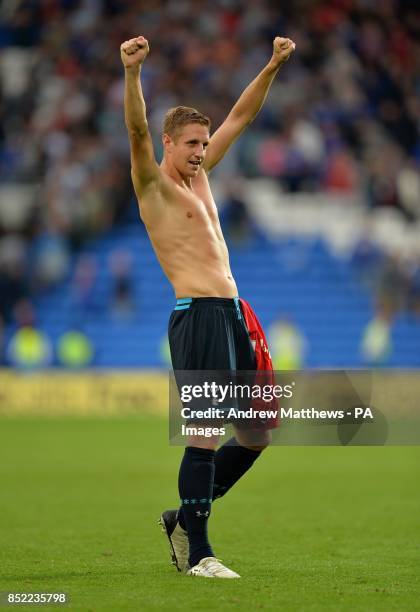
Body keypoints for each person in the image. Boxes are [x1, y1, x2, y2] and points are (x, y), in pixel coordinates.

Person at [121, 33, 295, 579]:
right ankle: (198, 553)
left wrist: (270, 65)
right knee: (204, 432)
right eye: (191, 144)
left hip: (233, 313)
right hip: (197, 313)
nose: (201, 152)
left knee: (256, 435)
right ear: (168, 144)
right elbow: (134, 128)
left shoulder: (201, 178)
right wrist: (132, 74)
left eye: (203, 143)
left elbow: (241, 116)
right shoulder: (152, 183)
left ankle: (183, 516)